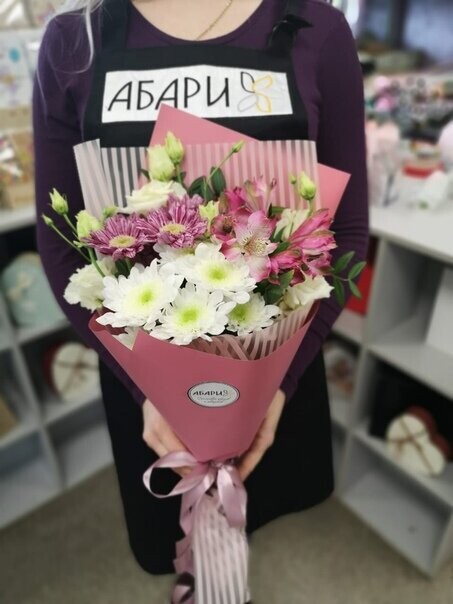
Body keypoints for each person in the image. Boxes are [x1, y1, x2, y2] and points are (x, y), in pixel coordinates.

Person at [33, 0, 369, 576]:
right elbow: (64, 248)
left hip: (276, 371)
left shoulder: (318, 27)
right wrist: (149, 390)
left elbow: (347, 231)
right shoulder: (74, 40)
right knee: (176, 540)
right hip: (146, 382)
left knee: (254, 516)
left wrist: (278, 385)